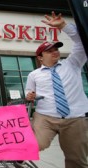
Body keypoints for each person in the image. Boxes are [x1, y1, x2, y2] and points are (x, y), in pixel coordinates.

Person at [26, 12, 88, 168]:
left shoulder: (73, 64)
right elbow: (28, 93)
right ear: (40, 57)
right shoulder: (34, 75)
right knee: (34, 144)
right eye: (49, 50)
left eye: (56, 49)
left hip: (75, 118)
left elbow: (83, 41)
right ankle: (19, 159)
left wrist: (63, 26)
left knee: (76, 159)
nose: (55, 51)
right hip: (45, 117)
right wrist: (30, 96)